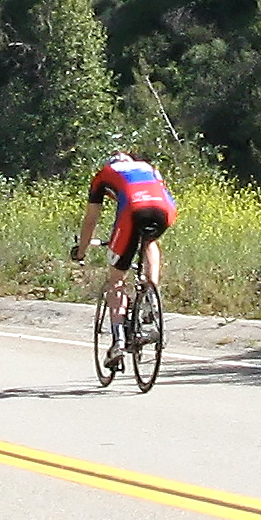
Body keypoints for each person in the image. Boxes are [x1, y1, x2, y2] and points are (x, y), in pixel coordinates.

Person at [70, 151, 177, 368]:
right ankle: (151, 294)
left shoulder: (104, 174)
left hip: (133, 209)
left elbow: (91, 220)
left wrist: (81, 251)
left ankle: (118, 341)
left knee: (116, 279)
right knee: (150, 241)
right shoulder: (147, 167)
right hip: (165, 209)